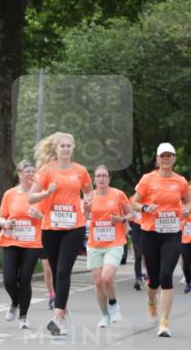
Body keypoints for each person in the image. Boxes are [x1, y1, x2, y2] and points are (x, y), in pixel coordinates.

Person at [29, 132, 93, 336]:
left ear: (73, 149)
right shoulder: (46, 171)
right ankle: (63, 312)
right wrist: (47, 193)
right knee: (57, 272)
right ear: (55, 149)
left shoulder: (81, 171)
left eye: (68, 146)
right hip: (50, 227)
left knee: (64, 270)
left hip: (74, 226)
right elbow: (31, 197)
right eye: (62, 146)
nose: (65, 149)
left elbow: (89, 191)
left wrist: (88, 201)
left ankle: (57, 316)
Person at [131, 143, 191, 337]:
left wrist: (187, 209)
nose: (166, 158)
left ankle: (164, 322)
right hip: (150, 232)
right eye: (162, 156)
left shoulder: (180, 181)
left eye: (169, 155)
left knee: (166, 275)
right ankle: (151, 301)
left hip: (172, 232)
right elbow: (134, 203)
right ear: (157, 159)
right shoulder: (148, 179)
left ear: (174, 158)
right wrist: (145, 208)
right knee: (154, 279)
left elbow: (187, 200)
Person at [0, 160, 43, 329]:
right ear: (20, 174)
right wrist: (4, 223)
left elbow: (48, 220)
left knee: (24, 279)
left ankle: (23, 316)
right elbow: (2, 216)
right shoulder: (10, 194)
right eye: (27, 171)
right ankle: (15, 302)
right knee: (9, 279)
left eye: (33, 171)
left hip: (32, 242)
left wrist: (39, 216)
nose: (31, 174)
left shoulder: (40, 194)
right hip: (12, 239)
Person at [86, 166, 131, 327]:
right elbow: (82, 217)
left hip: (115, 242)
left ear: (109, 178)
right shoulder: (89, 196)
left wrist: (122, 219)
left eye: (104, 175)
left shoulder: (118, 194)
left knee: (107, 278)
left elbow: (131, 214)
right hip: (95, 243)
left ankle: (113, 303)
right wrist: (84, 211)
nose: (101, 179)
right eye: (98, 176)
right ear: (94, 179)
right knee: (98, 282)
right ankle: (105, 315)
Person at [128, 201, 146, 290]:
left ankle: (149, 275)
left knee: (148, 254)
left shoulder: (150, 198)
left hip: (147, 227)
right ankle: (138, 278)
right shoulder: (132, 199)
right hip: (136, 227)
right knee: (138, 255)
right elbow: (128, 213)